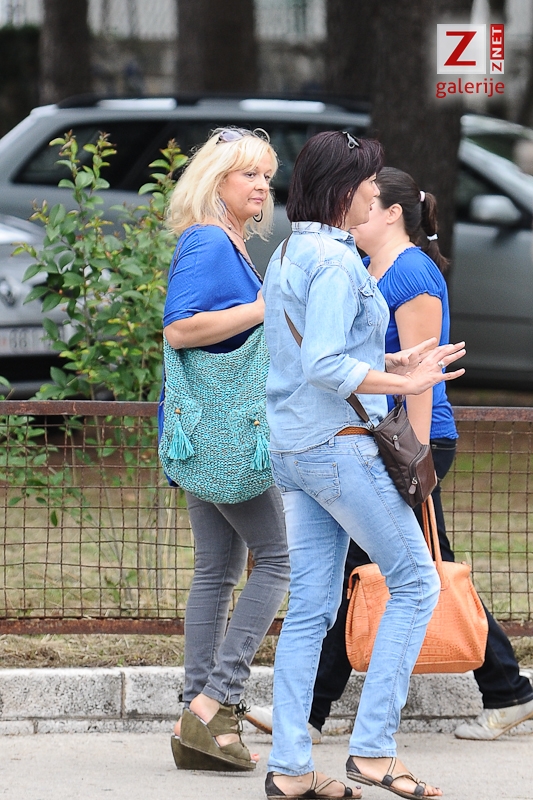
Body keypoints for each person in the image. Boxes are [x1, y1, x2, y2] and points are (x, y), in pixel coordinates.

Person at [248, 166, 533, 748]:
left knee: (395, 567)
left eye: (370, 202)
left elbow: (424, 373)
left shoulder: (412, 273)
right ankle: (507, 691)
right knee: (403, 564)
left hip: (409, 441)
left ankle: (311, 713)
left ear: (392, 214)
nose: (359, 212)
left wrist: (416, 460)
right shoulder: (365, 266)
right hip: (371, 436)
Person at [262, 132, 466, 800]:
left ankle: (291, 768)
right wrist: (405, 384)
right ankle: (373, 751)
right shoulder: (336, 261)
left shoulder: (288, 252)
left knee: (310, 607)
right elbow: (324, 363)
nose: (375, 194)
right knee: (416, 584)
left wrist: (394, 362)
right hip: (337, 447)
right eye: (369, 183)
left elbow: (315, 353)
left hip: (294, 449)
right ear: (343, 190)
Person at [161, 127, 290, 772]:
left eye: (267, 176)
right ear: (217, 181)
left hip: (210, 434)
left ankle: (197, 720)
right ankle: (219, 699)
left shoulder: (227, 241)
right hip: (226, 436)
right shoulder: (210, 241)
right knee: (278, 560)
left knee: (216, 569)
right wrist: (264, 308)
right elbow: (180, 329)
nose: (263, 187)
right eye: (249, 175)